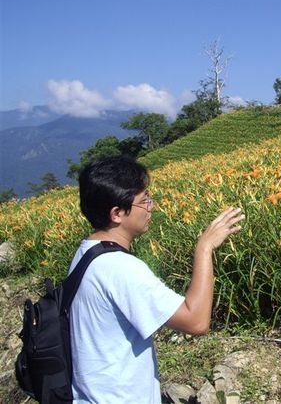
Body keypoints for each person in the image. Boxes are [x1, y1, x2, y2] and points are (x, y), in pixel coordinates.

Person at [70, 155, 244, 403]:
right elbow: (196, 322)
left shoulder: (86, 252)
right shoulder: (119, 267)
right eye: (144, 201)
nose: (152, 206)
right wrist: (205, 248)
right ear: (117, 213)